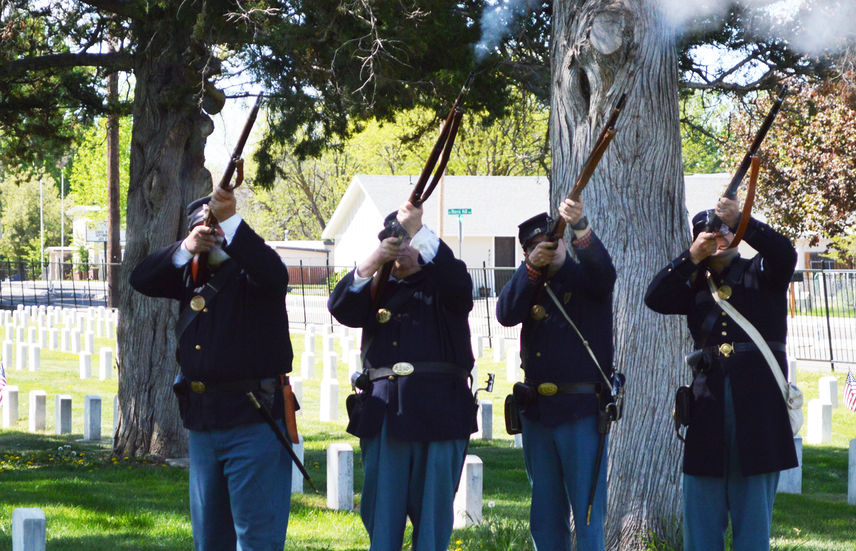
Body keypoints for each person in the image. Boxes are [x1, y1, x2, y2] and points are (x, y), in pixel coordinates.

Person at [129, 184, 294, 551]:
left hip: (254, 417)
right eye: (207, 229)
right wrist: (187, 247)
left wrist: (229, 219)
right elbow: (140, 278)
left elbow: (274, 274)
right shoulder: (189, 275)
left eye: (218, 229)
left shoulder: (253, 270)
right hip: (203, 422)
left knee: (257, 539)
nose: (214, 236)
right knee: (209, 540)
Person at [644, 197, 798, 551]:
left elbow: (784, 253)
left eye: (725, 229)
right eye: (710, 232)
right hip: (708, 408)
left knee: (753, 526)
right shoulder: (694, 284)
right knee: (701, 522)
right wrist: (691, 257)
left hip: (758, 408)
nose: (719, 236)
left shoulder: (761, 272)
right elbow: (655, 297)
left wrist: (744, 219)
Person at [327, 201, 476, 551]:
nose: (401, 253)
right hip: (385, 416)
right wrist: (373, 261)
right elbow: (340, 306)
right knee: (382, 521)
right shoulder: (378, 289)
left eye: (407, 243)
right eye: (395, 245)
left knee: (433, 525)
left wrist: (418, 230)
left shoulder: (443, 282)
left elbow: (459, 286)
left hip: (441, 416)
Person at [496, 197, 616, 551]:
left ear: (564, 241)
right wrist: (530, 269)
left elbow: (604, 273)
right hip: (537, 413)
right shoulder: (529, 285)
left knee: (588, 514)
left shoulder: (585, 280)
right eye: (535, 247)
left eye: (552, 240)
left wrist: (580, 227)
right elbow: (505, 312)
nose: (546, 249)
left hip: (580, 409)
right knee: (546, 517)